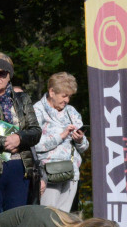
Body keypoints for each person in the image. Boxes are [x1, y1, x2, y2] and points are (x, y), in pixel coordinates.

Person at [0, 53, 41, 214]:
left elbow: (35, 131)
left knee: (15, 221)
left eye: (2, 73)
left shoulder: (23, 99)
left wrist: (19, 138)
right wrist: (4, 142)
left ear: (9, 76)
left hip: (19, 168)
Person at [33, 72, 88, 212]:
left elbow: (84, 147)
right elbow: (35, 145)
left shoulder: (71, 112)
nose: (67, 100)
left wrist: (80, 140)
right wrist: (61, 135)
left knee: (65, 221)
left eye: (69, 96)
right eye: (64, 96)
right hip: (49, 174)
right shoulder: (36, 111)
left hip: (71, 173)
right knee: (48, 218)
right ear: (52, 92)